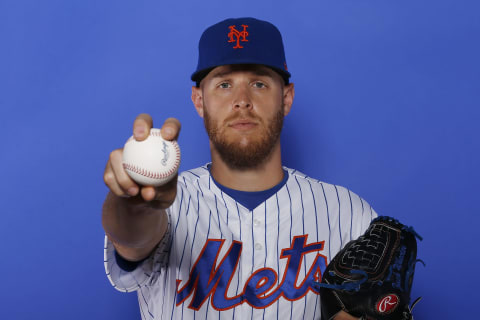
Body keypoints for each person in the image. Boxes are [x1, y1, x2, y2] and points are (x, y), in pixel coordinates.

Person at [102, 17, 377, 320]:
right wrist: (135, 202)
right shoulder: (169, 205)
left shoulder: (349, 215)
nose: (242, 101)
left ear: (286, 98)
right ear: (199, 100)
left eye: (258, 83)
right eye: (224, 84)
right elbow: (131, 239)